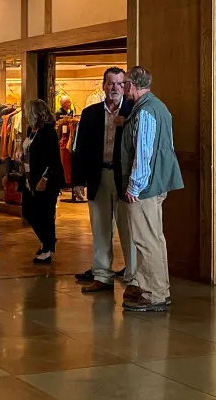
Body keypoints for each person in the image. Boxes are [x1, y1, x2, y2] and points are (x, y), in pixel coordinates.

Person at [117, 67, 183, 312]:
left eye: (124, 85)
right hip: (156, 183)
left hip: (145, 186)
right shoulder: (159, 107)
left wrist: (134, 185)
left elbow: (144, 154)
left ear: (132, 85)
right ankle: (157, 288)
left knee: (145, 240)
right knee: (154, 238)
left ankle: (154, 293)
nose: (122, 89)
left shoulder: (145, 111)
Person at [72, 67, 137, 292]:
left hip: (124, 180)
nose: (115, 88)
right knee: (100, 229)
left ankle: (132, 278)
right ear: (103, 86)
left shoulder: (131, 111)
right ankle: (101, 275)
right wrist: (78, 181)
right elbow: (81, 150)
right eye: (111, 84)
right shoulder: (90, 113)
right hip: (98, 176)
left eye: (120, 84)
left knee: (128, 230)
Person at [22, 98, 63, 264]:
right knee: (29, 211)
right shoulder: (31, 130)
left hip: (45, 179)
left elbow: (52, 158)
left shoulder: (48, 131)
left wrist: (44, 178)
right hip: (29, 177)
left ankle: (47, 248)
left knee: (44, 214)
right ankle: (46, 241)